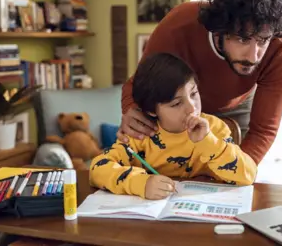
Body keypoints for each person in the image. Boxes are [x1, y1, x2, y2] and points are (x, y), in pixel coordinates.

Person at [119, 0, 282, 165]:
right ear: (219, 30)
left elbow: (263, 131)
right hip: (178, 104)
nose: (253, 56)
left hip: (238, 105)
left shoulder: (280, 49)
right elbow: (138, 83)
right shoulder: (178, 26)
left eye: (262, 41)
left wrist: (237, 174)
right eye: (243, 39)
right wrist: (132, 109)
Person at [90, 53, 257, 200]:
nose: (192, 108)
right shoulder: (140, 134)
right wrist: (140, 183)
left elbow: (248, 175)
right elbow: (98, 169)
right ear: (151, 110)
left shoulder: (215, 129)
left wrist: (209, 142)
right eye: (176, 103)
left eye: (193, 93)